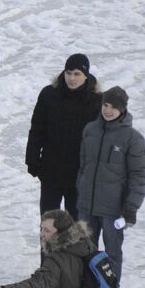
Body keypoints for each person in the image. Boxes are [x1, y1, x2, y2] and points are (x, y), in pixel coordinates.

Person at [76, 87, 145, 280]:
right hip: (87, 206)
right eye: (105, 105)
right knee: (84, 251)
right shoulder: (90, 130)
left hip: (112, 210)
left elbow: (138, 176)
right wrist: (80, 191)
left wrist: (131, 208)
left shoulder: (133, 138)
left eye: (113, 107)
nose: (108, 110)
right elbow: (83, 166)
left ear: (122, 109)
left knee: (112, 253)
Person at [25, 54, 102, 218]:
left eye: (77, 74)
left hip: (79, 175)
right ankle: (47, 246)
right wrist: (32, 159)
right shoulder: (49, 94)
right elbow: (37, 129)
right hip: (51, 171)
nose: (71, 78)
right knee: (49, 222)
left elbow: (100, 140)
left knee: (76, 226)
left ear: (85, 75)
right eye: (68, 73)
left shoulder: (96, 101)